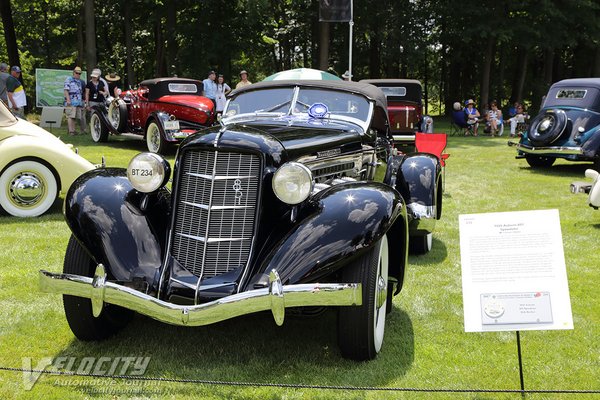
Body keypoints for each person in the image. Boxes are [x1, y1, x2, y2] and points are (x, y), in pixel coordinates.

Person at [64, 66, 86, 135]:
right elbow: (66, 90)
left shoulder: (79, 81)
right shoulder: (69, 79)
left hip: (78, 102)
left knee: (75, 117)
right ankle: (71, 131)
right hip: (71, 101)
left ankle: (73, 130)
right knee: (70, 116)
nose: (78, 75)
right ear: (73, 73)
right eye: (77, 73)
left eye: (80, 73)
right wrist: (68, 100)